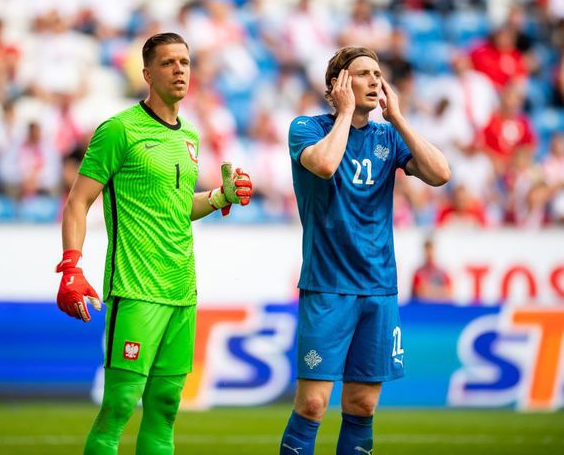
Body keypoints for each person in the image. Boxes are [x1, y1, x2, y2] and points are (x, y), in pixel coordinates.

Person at [56, 32, 252, 455]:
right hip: (134, 288)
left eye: (185, 61)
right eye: (168, 63)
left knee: (165, 407)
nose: (180, 69)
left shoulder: (191, 137)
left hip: (181, 289)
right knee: (120, 405)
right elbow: (78, 202)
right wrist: (72, 266)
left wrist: (221, 197)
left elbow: (179, 206)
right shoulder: (119, 130)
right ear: (147, 73)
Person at [281, 46, 450, 454]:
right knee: (313, 403)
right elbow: (323, 165)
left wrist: (399, 119)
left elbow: (441, 174)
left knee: (362, 404)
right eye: (363, 74)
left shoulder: (388, 136)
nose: (375, 80)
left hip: (378, 287)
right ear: (338, 84)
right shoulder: (307, 127)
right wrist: (343, 114)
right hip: (328, 286)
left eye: (378, 73)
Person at [411, 237, 453, 302]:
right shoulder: (418, 273)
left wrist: (428, 290)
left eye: (431, 250)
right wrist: (440, 292)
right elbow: (419, 292)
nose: (429, 254)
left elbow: (449, 292)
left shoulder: (442, 273)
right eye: (427, 251)